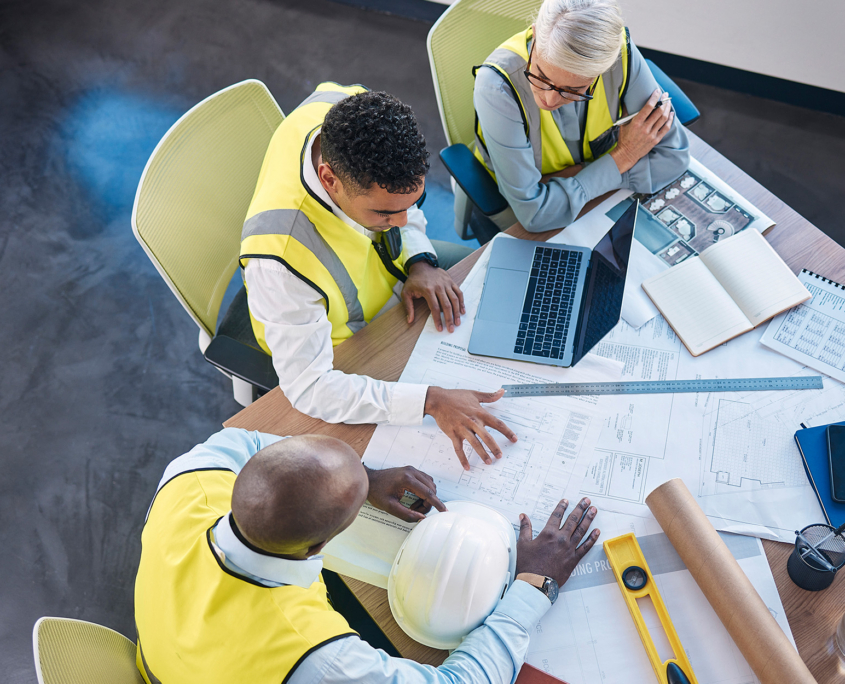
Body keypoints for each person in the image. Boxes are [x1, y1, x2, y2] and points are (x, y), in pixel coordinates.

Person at [134, 428, 601, 684]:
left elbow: (254, 446)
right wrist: (534, 584)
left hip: (164, 653)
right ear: (318, 547)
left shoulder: (191, 476)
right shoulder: (315, 658)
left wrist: (365, 477)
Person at [241, 84, 515, 469]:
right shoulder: (281, 260)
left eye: (413, 203)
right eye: (385, 215)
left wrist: (419, 258)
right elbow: (310, 388)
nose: (403, 222)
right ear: (330, 178)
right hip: (343, 348)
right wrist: (429, 401)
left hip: (395, 299)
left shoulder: (350, 108)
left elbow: (405, 217)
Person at [468, 0, 690, 234]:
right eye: (542, 76)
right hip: (520, 221)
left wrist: (575, 179)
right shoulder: (495, 88)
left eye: (574, 89)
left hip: (590, 205)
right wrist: (623, 156)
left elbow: (673, 158)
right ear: (534, 35)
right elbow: (535, 215)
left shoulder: (617, 54)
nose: (550, 100)